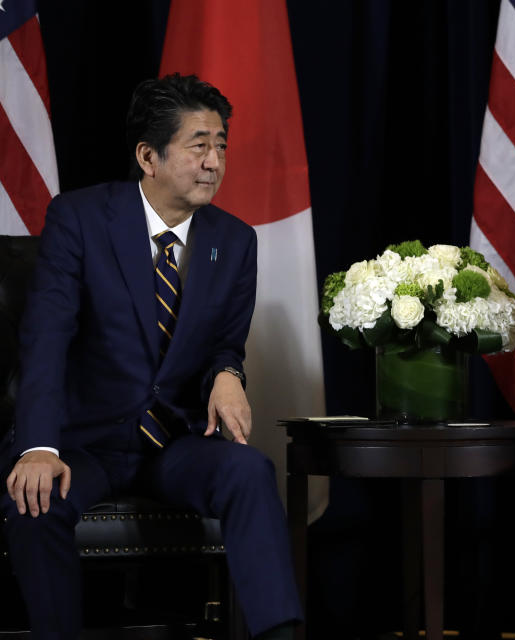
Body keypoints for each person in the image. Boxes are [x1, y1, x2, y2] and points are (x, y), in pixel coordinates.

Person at [0, 73, 302, 639]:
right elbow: (45, 337)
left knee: (250, 472)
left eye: (221, 145)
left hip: (175, 442)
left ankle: (279, 634)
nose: (214, 161)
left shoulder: (234, 240)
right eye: (199, 145)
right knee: (33, 502)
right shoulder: (81, 219)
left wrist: (228, 374)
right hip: (83, 440)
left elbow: (223, 343)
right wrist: (38, 446)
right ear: (149, 155)